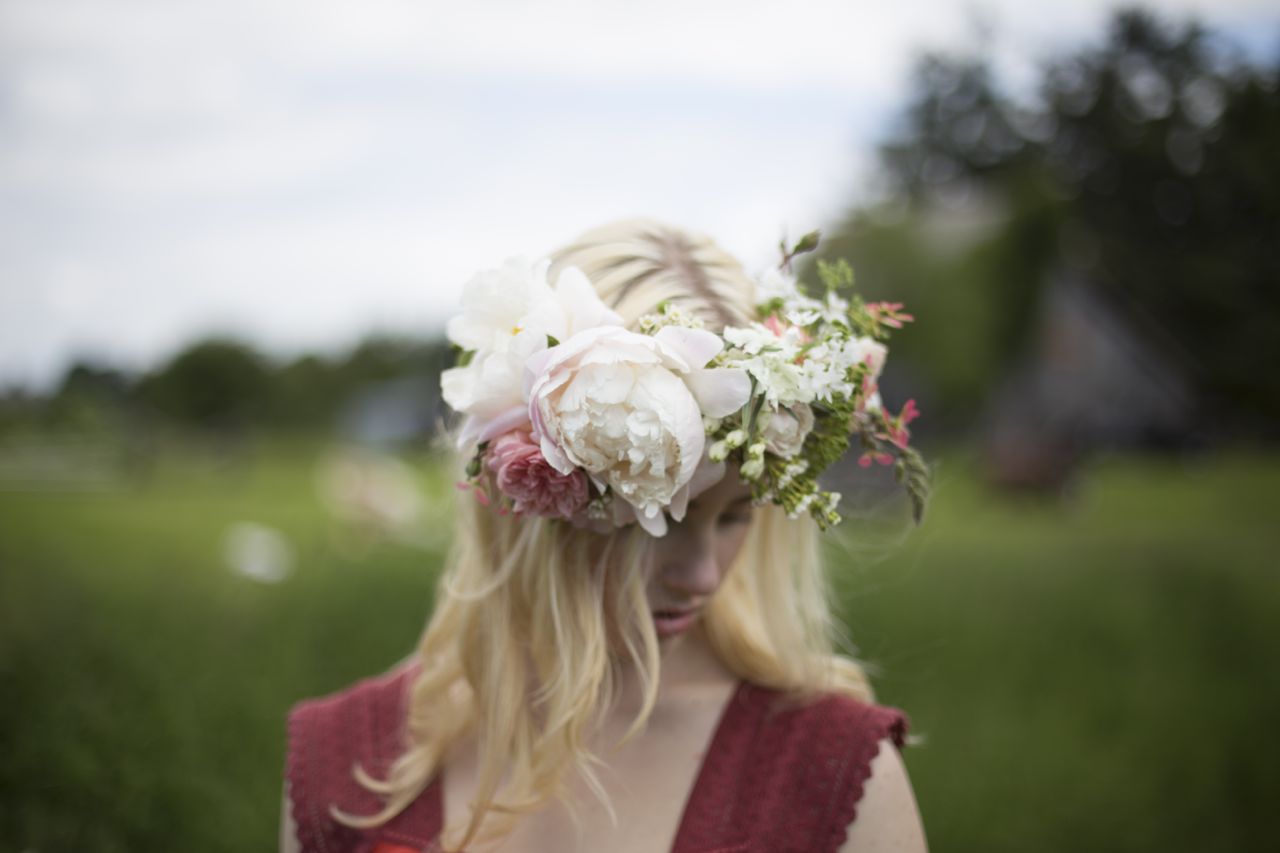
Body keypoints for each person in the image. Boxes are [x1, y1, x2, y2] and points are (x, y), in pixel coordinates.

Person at [282, 219, 929, 853]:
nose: (701, 573)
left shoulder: (832, 773)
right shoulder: (348, 759)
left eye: (736, 515)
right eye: (661, 515)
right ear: (534, 488)